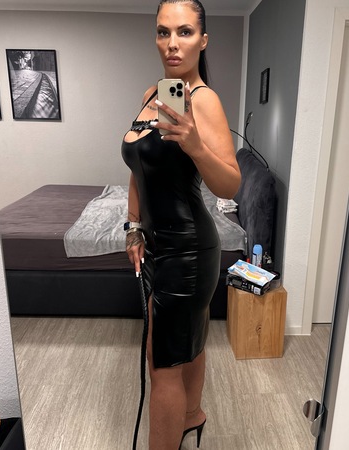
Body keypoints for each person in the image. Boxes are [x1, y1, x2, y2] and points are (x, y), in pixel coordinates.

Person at [121, 1, 241, 448]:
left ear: (203, 40)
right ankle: (192, 416)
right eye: (163, 32)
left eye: (185, 32)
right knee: (186, 342)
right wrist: (133, 225)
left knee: (162, 364)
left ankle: (182, 422)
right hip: (158, 244)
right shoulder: (153, 94)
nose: (172, 43)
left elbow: (230, 184)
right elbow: (140, 167)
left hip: (189, 250)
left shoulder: (204, 100)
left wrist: (196, 146)